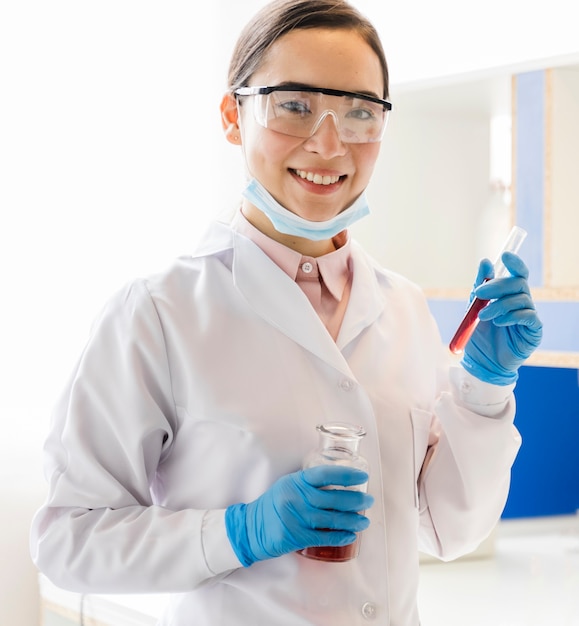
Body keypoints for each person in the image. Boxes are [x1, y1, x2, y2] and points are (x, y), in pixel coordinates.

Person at [30, 1, 543, 624]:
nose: (329, 144)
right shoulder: (159, 315)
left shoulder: (403, 307)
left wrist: (484, 389)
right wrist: (239, 534)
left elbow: (449, 530)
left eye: (359, 112)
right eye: (294, 105)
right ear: (232, 115)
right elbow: (68, 540)